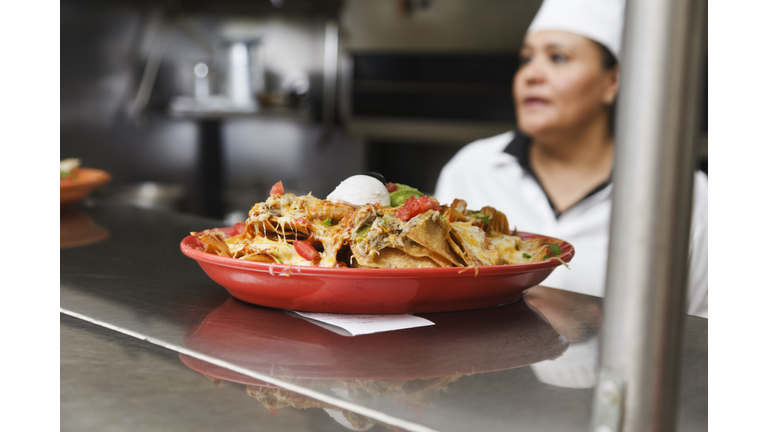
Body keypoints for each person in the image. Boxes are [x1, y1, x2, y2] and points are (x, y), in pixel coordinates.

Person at [434, 0, 708, 318]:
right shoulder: (472, 169)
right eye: (527, 58)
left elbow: (705, 334)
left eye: (558, 57)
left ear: (613, 82)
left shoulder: (688, 196)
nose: (531, 74)